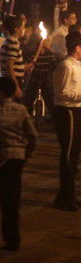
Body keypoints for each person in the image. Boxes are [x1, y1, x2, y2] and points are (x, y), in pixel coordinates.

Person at [52, 31, 81, 211]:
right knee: (68, 155)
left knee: (74, 155)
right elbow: (63, 93)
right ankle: (65, 196)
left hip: (77, 112)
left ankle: (68, 194)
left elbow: (80, 93)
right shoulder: (65, 66)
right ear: (77, 48)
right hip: (66, 113)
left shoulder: (77, 65)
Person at [0, 76, 37, 251]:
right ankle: (12, 238)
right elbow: (32, 135)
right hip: (15, 158)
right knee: (12, 200)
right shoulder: (21, 110)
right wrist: (27, 152)